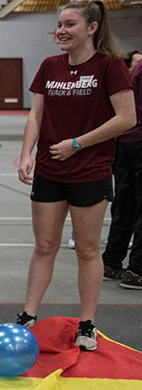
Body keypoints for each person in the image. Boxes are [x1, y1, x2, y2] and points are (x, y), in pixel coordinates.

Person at [16, 0, 135, 351]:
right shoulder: (49, 66)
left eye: (70, 24)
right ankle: (27, 315)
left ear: (92, 27)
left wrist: (78, 143)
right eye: (59, 25)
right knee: (44, 246)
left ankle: (87, 323)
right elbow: (36, 115)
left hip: (90, 171)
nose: (61, 31)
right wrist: (26, 153)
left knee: (86, 249)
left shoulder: (110, 66)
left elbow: (126, 118)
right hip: (50, 169)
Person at [102, 50, 142, 289]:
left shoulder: (137, 69)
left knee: (124, 204)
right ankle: (137, 269)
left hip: (126, 141)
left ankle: (111, 261)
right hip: (138, 140)